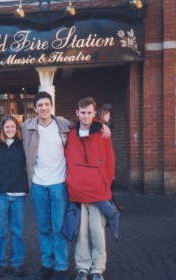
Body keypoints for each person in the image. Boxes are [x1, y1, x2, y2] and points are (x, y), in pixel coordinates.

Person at [21, 91, 73, 280]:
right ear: (35, 108)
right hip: (38, 185)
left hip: (59, 185)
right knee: (44, 227)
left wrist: (102, 127)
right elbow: (5, 132)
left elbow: (86, 125)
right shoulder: (27, 127)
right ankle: (47, 264)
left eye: (46, 104)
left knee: (58, 227)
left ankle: (61, 266)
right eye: (40, 105)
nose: (43, 108)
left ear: (51, 106)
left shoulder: (64, 125)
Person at [65, 97, 116, 280]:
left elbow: (109, 162)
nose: (86, 116)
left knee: (97, 232)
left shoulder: (103, 133)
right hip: (77, 192)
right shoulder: (70, 135)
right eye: (83, 113)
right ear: (77, 113)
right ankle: (82, 267)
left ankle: (98, 269)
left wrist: (105, 184)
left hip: (97, 192)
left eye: (89, 112)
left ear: (94, 114)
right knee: (81, 234)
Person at [0, 115, 29, 278]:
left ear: (17, 128)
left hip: (19, 193)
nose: (10, 130)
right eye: (7, 127)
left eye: (13, 127)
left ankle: (17, 263)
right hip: (1, 194)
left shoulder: (23, 144)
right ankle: (0, 262)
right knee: (0, 231)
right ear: (2, 128)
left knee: (17, 231)